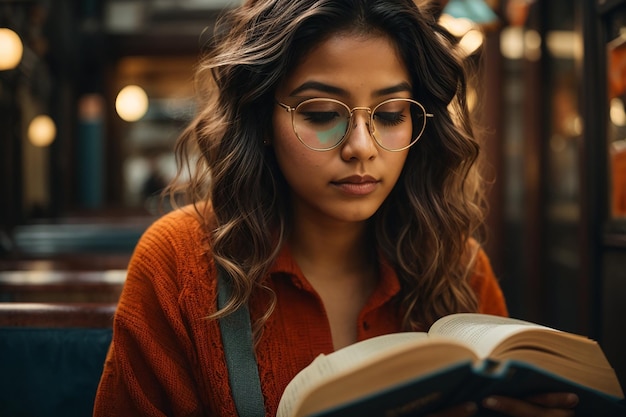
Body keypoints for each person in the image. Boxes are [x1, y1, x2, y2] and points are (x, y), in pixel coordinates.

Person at [93, 0, 580, 416]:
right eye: (323, 113)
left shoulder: (457, 262)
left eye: (390, 115)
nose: (362, 147)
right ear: (262, 117)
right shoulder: (178, 264)